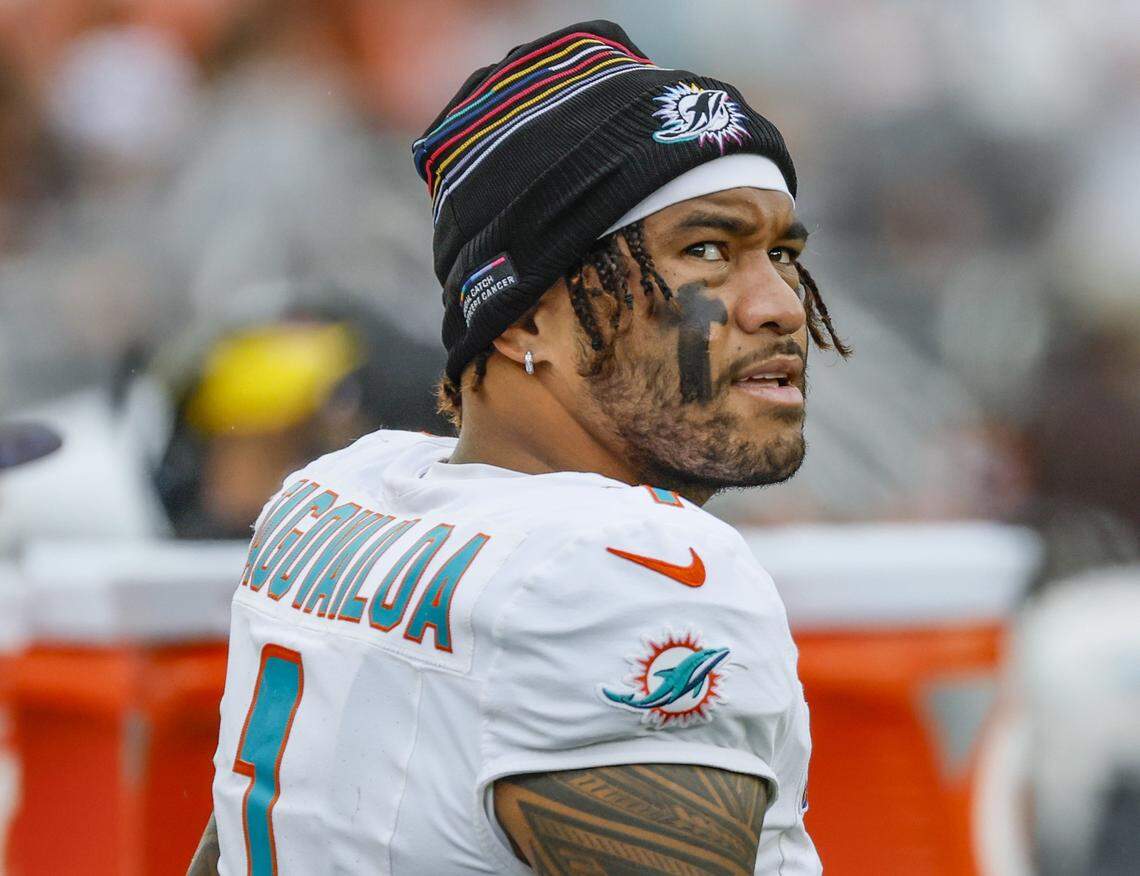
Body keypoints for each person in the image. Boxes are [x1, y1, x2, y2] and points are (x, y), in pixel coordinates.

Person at [193, 19, 849, 875]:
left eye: (782, 254)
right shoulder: (636, 571)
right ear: (528, 314)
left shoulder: (338, 493)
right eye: (707, 251)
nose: (781, 306)